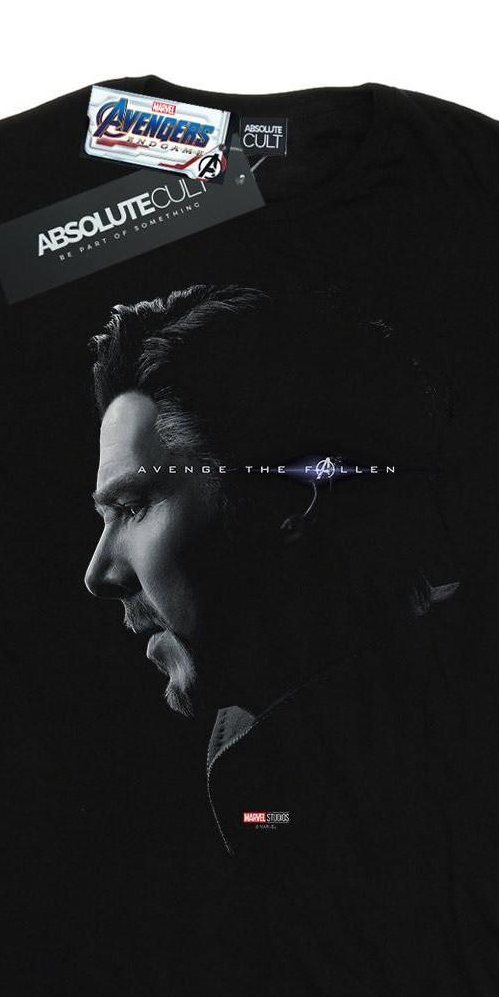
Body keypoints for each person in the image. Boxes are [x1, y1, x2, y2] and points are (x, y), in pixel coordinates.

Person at [84, 284, 464, 857]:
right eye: (105, 517)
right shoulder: (268, 767)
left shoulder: (478, 758)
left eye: (134, 506)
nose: (98, 574)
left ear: (283, 498)